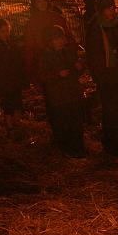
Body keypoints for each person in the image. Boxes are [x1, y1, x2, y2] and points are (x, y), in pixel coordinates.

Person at [86, 0, 118, 155]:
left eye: (113, 7)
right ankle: (111, 145)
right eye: (109, 8)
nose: (112, 11)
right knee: (110, 110)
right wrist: (101, 76)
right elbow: (94, 55)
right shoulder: (97, 28)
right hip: (107, 74)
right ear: (101, 10)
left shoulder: (116, 24)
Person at [41, 25, 86, 157]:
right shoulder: (46, 56)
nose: (60, 41)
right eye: (57, 39)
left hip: (72, 93)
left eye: (61, 38)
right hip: (58, 97)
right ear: (50, 40)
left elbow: (77, 69)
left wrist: (79, 67)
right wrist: (57, 75)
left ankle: (78, 150)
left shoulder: (67, 53)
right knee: (63, 124)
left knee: (76, 122)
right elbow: (43, 76)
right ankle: (65, 151)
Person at [0, 19, 27, 136]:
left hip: (14, 77)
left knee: (17, 101)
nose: (6, 34)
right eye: (3, 31)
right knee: (8, 103)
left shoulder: (11, 44)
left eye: (7, 31)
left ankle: (17, 122)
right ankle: (9, 125)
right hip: (4, 79)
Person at [25, 0, 71, 83]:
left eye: (44, 1)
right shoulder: (32, 23)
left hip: (61, 56)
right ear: (34, 4)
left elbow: (68, 36)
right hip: (44, 60)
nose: (42, 4)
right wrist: (30, 65)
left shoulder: (57, 17)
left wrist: (72, 56)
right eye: (39, 2)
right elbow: (30, 45)